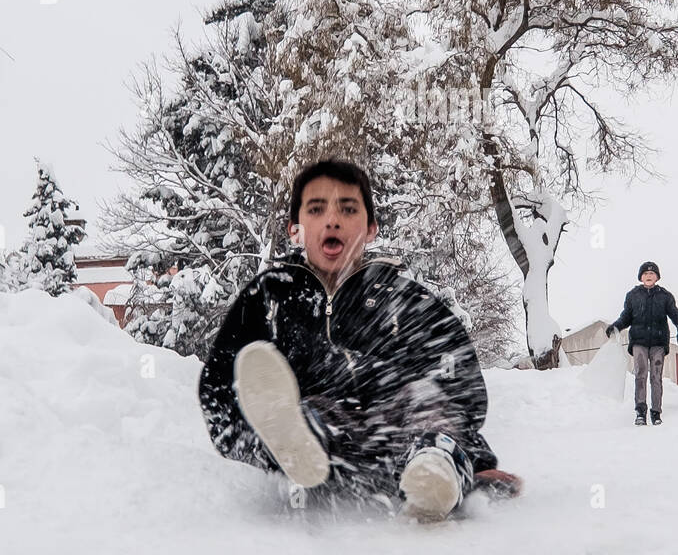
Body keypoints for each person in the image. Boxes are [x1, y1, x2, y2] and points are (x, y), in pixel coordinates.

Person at [198, 158, 519, 521]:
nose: (332, 220)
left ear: (370, 228)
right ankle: (297, 446)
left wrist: (475, 458)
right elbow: (219, 392)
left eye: (347, 209)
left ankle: (436, 471)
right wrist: (255, 448)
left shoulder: (404, 300)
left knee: (424, 397)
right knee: (308, 413)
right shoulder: (269, 298)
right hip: (322, 433)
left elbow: (462, 391)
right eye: (316, 209)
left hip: (398, 434)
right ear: (295, 229)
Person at [608, 261, 678, 426]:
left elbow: (675, 314)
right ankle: (640, 411)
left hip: (659, 341)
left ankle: (656, 412)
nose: (648, 276)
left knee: (656, 376)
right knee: (640, 374)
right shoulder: (633, 295)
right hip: (639, 341)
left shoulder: (665, 296)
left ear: (657, 277)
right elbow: (626, 317)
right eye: (645, 274)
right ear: (640, 277)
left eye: (652, 274)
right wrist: (616, 326)